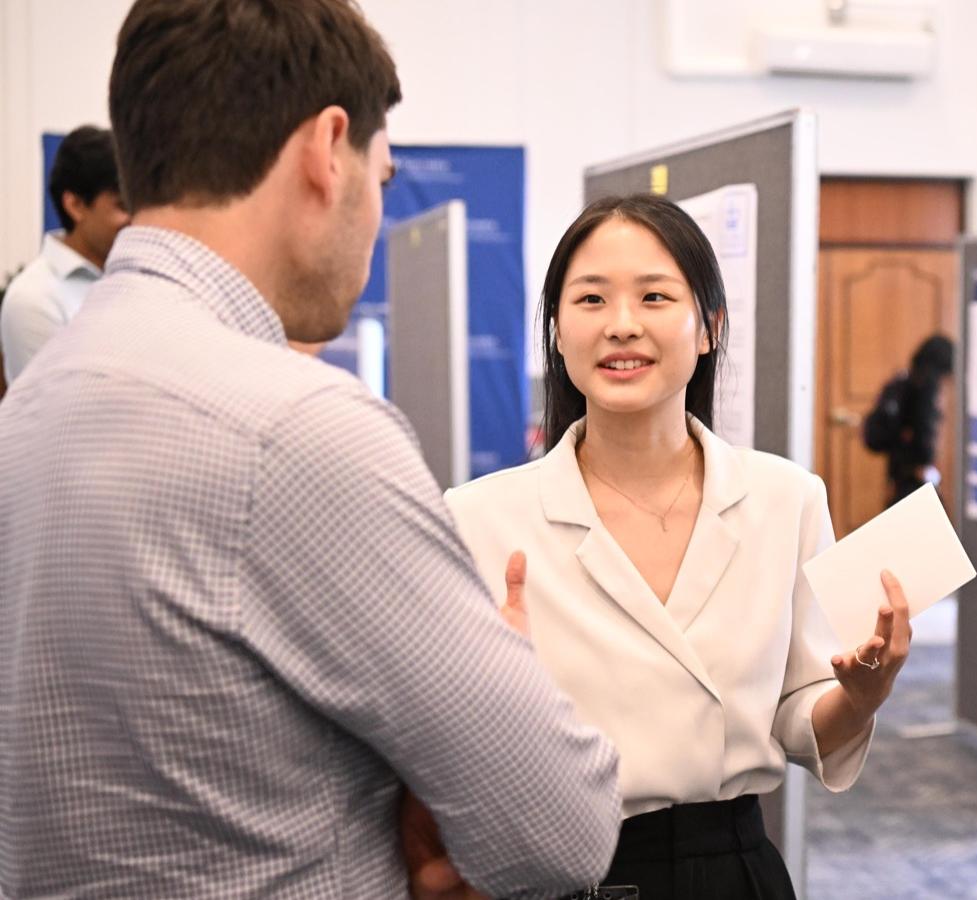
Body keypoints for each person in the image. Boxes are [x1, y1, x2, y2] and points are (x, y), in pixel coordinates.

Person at [0, 2, 620, 897]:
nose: (375, 214)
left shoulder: (29, 411)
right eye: (383, 173)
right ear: (329, 149)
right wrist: (501, 684)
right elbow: (554, 833)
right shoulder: (297, 432)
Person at [439, 194, 914, 899]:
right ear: (557, 332)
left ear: (709, 328)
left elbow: (796, 714)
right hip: (561, 874)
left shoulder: (786, 499)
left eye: (655, 297)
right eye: (591, 299)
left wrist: (861, 696)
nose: (621, 325)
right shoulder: (480, 517)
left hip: (729, 867)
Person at [0, 125, 129, 383]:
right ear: (76, 205)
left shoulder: (128, 277)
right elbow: (59, 409)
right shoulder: (34, 299)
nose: (133, 218)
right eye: (121, 205)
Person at [867, 334, 955, 505]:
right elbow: (924, 434)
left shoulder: (901, 383)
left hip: (899, 477)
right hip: (918, 479)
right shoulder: (927, 389)